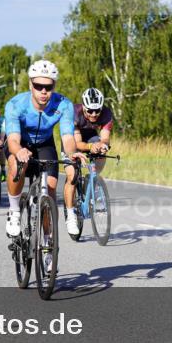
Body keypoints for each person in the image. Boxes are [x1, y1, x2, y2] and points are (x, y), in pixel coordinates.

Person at [3, 60, 86, 256]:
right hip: (20, 143)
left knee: (49, 189)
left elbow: (67, 137)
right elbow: (12, 139)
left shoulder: (63, 104)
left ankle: (48, 245)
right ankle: (14, 211)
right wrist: (19, 151)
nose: (43, 91)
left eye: (48, 87)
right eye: (38, 86)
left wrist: (72, 153)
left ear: (54, 87)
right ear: (30, 84)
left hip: (45, 144)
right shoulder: (16, 104)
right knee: (16, 165)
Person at [63, 87, 114, 234]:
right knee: (72, 176)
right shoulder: (74, 113)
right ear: (84, 107)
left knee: (101, 152)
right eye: (90, 111)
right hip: (72, 139)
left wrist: (102, 146)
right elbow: (77, 143)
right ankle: (70, 213)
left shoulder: (106, 114)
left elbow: (104, 137)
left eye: (97, 110)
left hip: (91, 135)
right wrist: (91, 146)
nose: (94, 114)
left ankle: (93, 180)